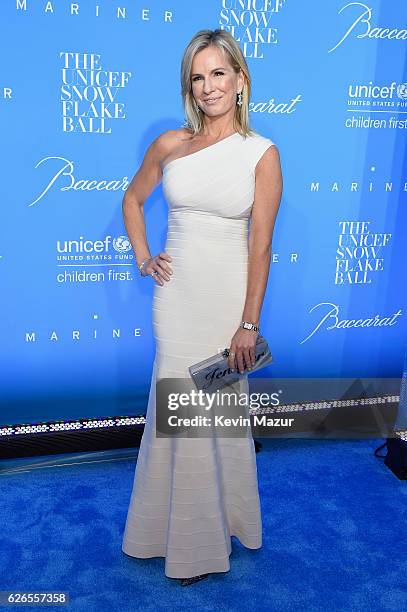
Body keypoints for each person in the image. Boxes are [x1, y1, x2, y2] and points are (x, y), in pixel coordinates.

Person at [121, 28, 283, 586]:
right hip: (177, 298)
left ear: (240, 80)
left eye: (219, 73)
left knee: (219, 412)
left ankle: (221, 527)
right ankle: (175, 535)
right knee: (176, 408)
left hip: (226, 305)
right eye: (199, 75)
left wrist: (247, 324)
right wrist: (145, 256)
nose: (209, 85)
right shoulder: (171, 145)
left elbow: (260, 247)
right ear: (189, 86)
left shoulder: (261, 155)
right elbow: (133, 198)